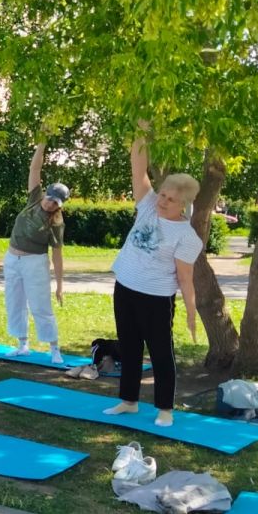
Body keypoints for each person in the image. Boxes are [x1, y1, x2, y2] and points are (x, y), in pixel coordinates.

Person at [103, 123, 202, 428]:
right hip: (125, 287)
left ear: (183, 204)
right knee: (129, 346)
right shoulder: (147, 206)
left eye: (170, 199)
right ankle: (129, 401)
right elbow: (138, 168)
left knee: (160, 353)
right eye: (162, 195)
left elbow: (185, 279)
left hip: (156, 298)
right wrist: (141, 133)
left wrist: (189, 312)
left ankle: (165, 409)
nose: (162, 201)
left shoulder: (187, 237)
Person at [4, 139, 70, 363]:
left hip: (35, 262)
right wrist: (42, 143)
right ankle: (22, 344)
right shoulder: (34, 198)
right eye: (50, 199)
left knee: (40, 304)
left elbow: (58, 256)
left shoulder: (56, 223)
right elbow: (35, 169)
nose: (51, 205)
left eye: (56, 204)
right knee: (14, 301)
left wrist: (59, 285)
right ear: (45, 194)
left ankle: (54, 348)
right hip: (12, 258)